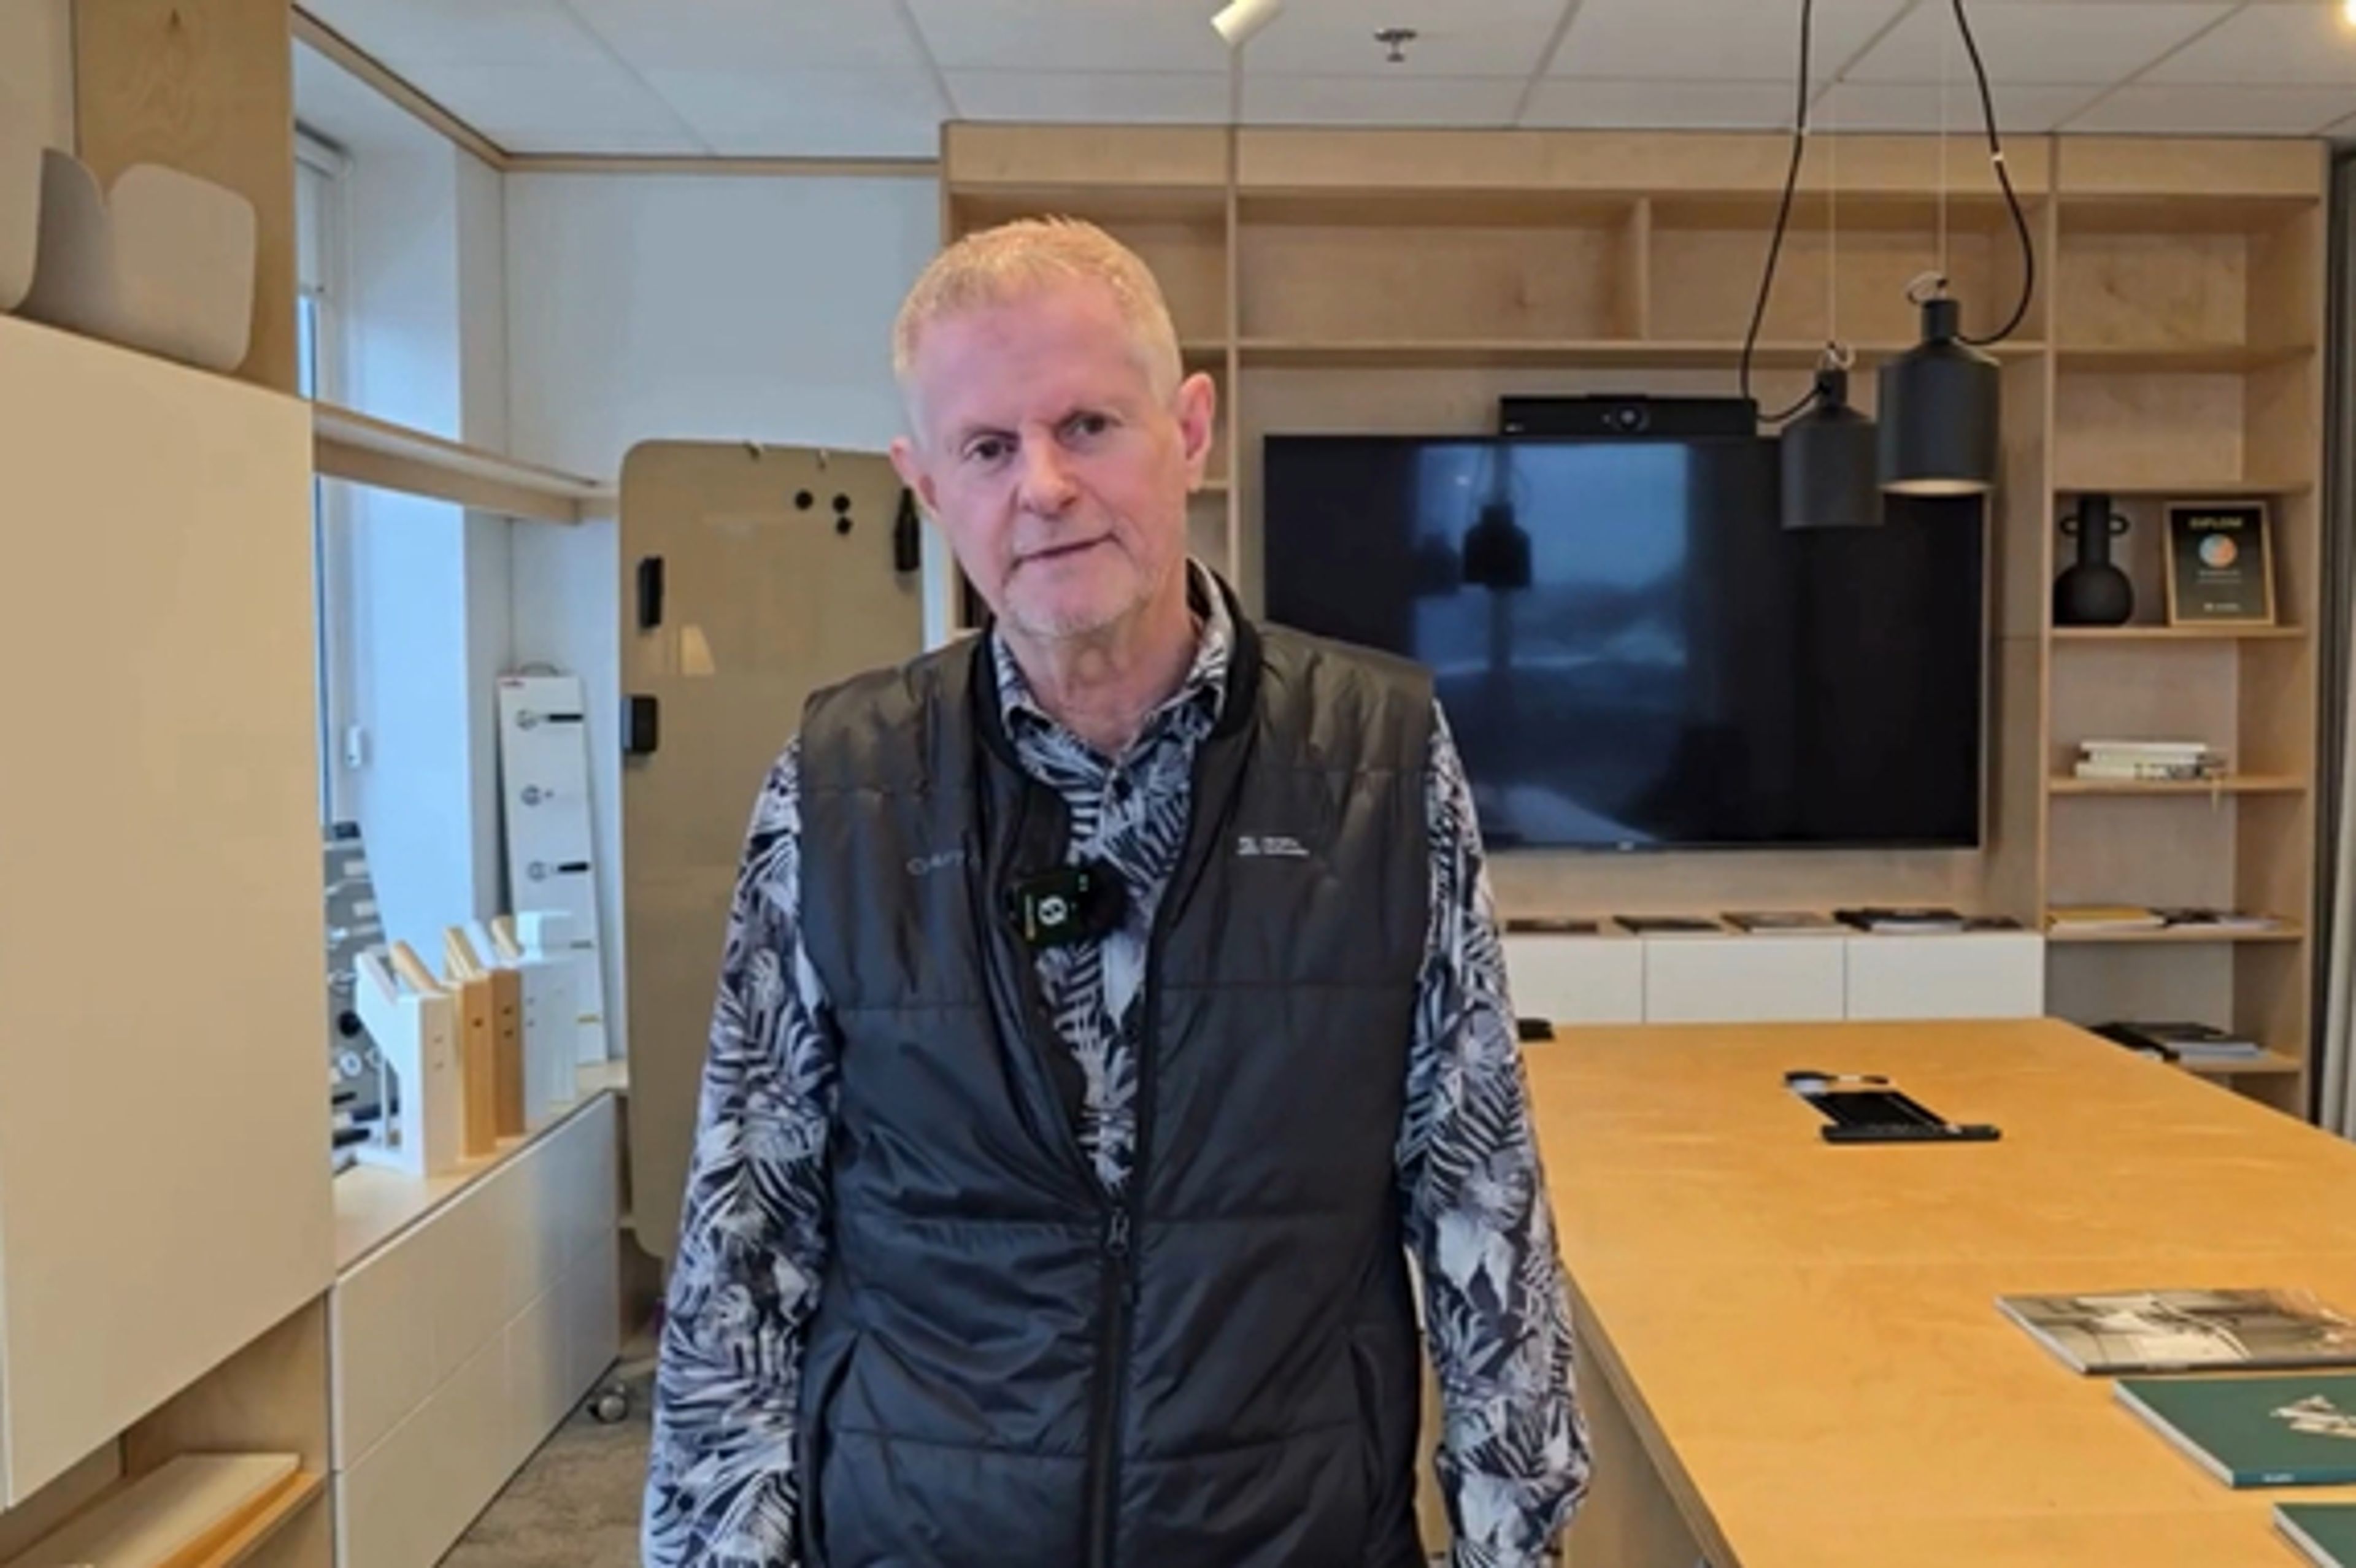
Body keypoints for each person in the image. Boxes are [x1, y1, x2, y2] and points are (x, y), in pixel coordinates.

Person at [643, 217, 1588, 1568]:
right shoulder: (840, 781)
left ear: (1188, 430)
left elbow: (1477, 1190)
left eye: (1086, 425)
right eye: (987, 448)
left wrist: (1515, 1544)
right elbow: (745, 1230)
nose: (1043, 487)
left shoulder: (1377, 760)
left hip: (1287, 1528)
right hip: (921, 1532)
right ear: (926, 485)